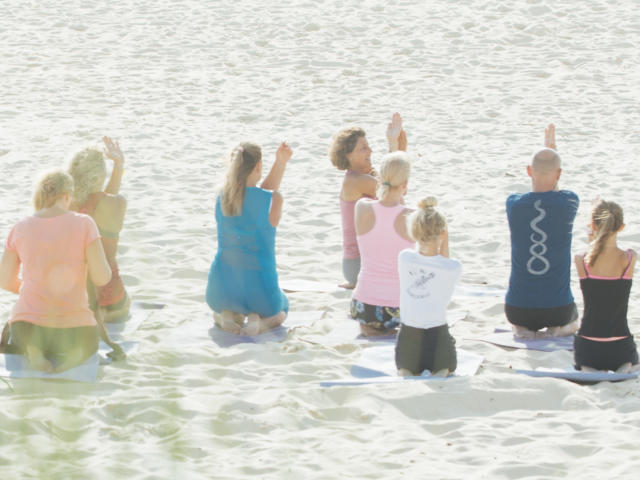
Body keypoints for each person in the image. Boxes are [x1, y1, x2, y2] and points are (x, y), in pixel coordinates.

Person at [0, 171, 124, 373]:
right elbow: (102, 278)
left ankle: (34, 350)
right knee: (88, 341)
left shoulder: (19, 227)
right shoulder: (85, 223)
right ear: (67, 196)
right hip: (76, 330)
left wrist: (32, 287)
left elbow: (4, 281)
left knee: (19, 328)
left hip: (28, 327)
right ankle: (75, 354)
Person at [206, 141, 292, 335]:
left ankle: (225, 316)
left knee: (226, 307)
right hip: (262, 294)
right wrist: (281, 163)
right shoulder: (274, 199)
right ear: (258, 167)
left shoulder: (221, 197)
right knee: (283, 306)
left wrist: (280, 163)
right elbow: (263, 198)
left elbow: (252, 196)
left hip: (219, 291)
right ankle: (258, 322)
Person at [505, 124, 580, 338]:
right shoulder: (569, 201)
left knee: (521, 320)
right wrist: (552, 152)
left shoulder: (514, 204)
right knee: (574, 320)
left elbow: (538, 196)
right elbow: (552, 196)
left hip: (517, 310)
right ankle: (559, 330)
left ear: (529, 171)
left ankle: (523, 329)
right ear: (559, 174)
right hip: (559, 310)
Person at [330, 113, 407, 288]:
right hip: (359, 264)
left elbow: (395, 182)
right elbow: (394, 188)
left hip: (369, 259)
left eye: (368, 146)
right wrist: (393, 145)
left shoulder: (367, 174)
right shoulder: (355, 181)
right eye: (362, 148)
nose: (370, 151)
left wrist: (394, 143)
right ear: (347, 155)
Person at [350, 151, 414, 336]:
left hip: (361, 307)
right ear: (406, 184)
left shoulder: (362, 207)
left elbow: (388, 207)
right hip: (397, 309)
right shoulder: (412, 216)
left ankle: (372, 330)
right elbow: (398, 209)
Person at [396, 197, 460, 377]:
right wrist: (445, 239)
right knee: (443, 369)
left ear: (414, 233)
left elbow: (423, 254)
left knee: (406, 370)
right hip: (437, 335)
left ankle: (407, 373)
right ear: (442, 233)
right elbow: (444, 261)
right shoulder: (453, 267)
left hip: (409, 335)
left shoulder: (404, 258)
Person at [574, 200, 639, 373]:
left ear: (592, 226)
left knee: (584, 359)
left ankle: (588, 368)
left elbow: (592, 254)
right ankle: (625, 366)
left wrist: (592, 239)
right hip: (620, 346)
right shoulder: (631, 258)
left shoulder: (581, 259)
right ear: (622, 227)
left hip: (588, 346)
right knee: (628, 358)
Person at [69, 137, 129, 322]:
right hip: (112, 301)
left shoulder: (64, 207)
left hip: (76, 302)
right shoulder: (116, 204)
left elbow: (99, 198)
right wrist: (119, 166)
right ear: (101, 175)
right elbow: (106, 200)